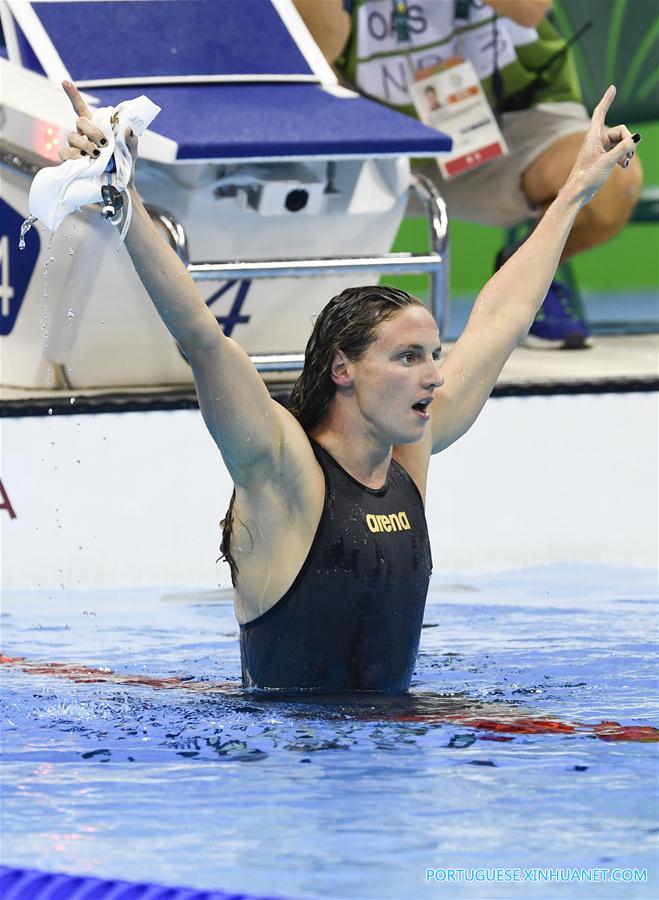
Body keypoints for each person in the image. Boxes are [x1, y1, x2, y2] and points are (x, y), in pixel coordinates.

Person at [60, 80, 639, 693]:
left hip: (393, 757)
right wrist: (121, 196)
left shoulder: (408, 455)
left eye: (433, 356)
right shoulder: (282, 472)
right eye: (408, 357)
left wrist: (576, 189)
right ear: (345, 369)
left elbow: (502, 317)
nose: (435, 375)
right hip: (288, 762)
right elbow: (203, 337)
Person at [293, 0, 644, 349]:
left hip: (515, 122)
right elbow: (314, 51)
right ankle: (316, 318)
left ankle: (524, 274)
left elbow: (529, 9)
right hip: (380, 131)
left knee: (615, 178)